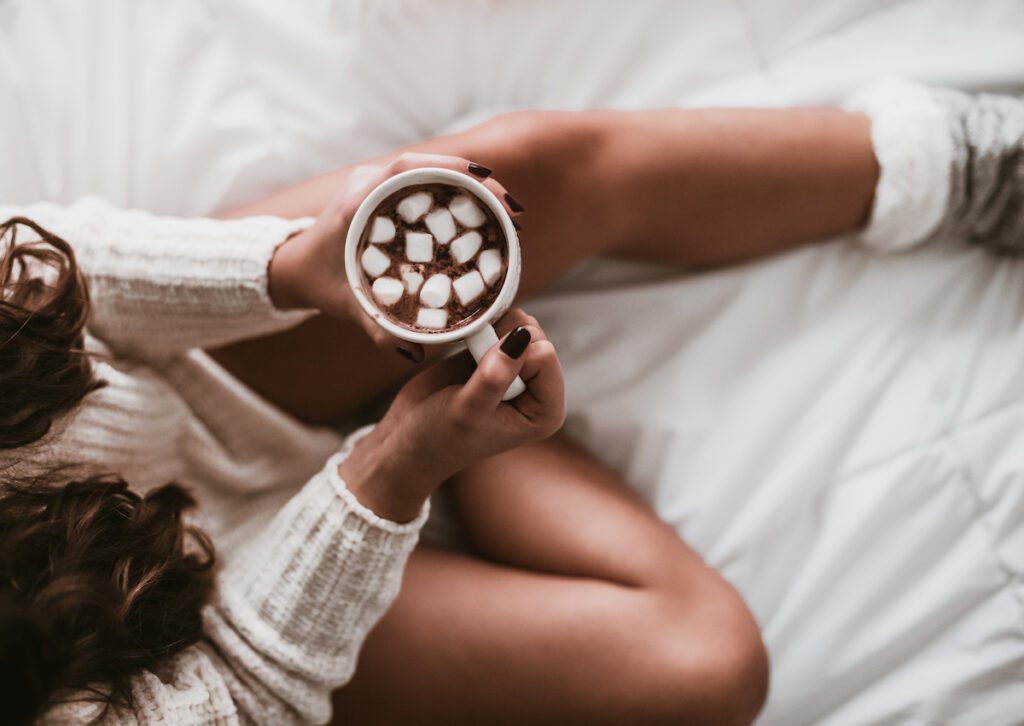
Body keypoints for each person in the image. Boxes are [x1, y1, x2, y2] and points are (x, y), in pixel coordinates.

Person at [1, 77, 1020, 725]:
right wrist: (397, 468)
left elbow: (55, 276)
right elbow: (232, 698)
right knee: (698, 671)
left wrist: (290, 268)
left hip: (185, 375)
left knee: (506, 178)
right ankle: (462, 413)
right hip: (205, 624)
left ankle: (958, 165)